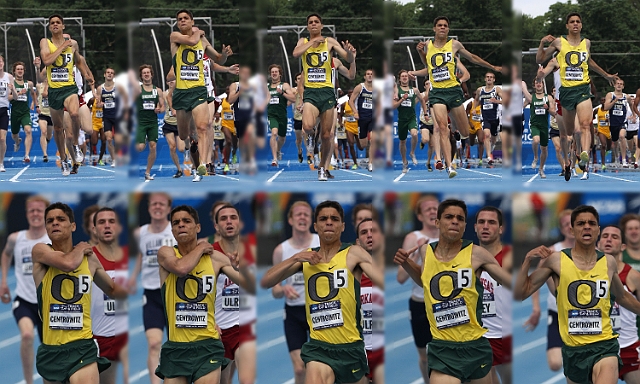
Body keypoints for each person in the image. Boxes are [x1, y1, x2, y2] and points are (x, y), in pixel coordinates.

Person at [261, 200, 384, 384]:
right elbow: (266, 281)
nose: (328, 222)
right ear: (315, 226)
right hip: (319, 347)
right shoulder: (307, 257)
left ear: (342, 226)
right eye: (323, 219)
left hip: (350, 346)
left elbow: (381, 280)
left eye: (334, 219)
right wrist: (295, 257)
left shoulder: (353, 253)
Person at [515, 205, 640, 384]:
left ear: (598, 229)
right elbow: (521, 293)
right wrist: (527, 260)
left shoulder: (608, 262)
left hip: (604, 346)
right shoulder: (556, 260)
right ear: (572, 230)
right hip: (573, 351)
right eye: (581, 223)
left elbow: (622, 297)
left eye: (592, 223)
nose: (587, 226)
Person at [394, 199, 511, 384]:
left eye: (460, 218)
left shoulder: (476, 254)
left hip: (475, 346)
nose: (455, 221)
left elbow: (509, 283)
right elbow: (425, 279)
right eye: (449, 217)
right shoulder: (426, 251)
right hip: (443, 348)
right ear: (437, 222)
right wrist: (406, 263)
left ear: (465, 225)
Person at [32, 202, 127, 383]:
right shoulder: (40, 252)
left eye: (61, 219)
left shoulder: (90, 260)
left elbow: (113, 290)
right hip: (51, 349)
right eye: (50, 220)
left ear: (73, 226)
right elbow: (68, 264)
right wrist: (80, 248)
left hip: (82, 346)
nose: (55, 223)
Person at [155, 205, 251, 383]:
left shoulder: (216, 259)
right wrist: (200, 248)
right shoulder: (166, 254)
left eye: (186, 221)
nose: (181, 225)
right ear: (172, 230)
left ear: (198, 227)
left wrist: (240, 266)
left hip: (208, 345)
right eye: (176, 223)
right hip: (176, 348)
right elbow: (181, 268)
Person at [409, 16, 501, 177]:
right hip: (437, 93)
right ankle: (449, 165)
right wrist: (419, 52)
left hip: (454, 91)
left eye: (445, 26)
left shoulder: (454, 45)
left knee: (465, 131)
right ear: (434, 29)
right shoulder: (428, 46)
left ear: (448, 29)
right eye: (439, 25)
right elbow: (427, 66)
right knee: (442, 127)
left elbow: (472, 57)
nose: (442, 28)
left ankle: (458, 133)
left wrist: (492, 66)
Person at [535, 12, 619, 180]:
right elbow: (540, 58)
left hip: (582, 88)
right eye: (572, 22)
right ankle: (567, 163)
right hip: (565, 93)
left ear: (581, 25)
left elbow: (590, 62)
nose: (575, 24)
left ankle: (584, 156)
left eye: (578, 22)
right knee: (568, 134)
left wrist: (606, 75)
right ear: (567, 26)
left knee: (586, 125)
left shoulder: (586, 43)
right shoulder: (559, 42)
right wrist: (542, 43)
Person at [293, 13, 355, 181]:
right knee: (307, 126)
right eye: (310, 22)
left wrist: (350, 55)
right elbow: (296, 54)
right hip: (311, 92)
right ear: (307, 27)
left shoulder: (330, 42)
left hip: (327, 92)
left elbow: (347, 58)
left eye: (316, 22)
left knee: (327, 135)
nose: (313, 24)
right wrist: (313, 42)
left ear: (321, 26)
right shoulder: (304, 42)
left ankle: (322, 167)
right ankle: (312, 137)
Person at [170, 9, 230, 180]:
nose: (182, 21)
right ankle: (191, 144)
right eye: (179, 19)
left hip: (199, 90)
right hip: (181, 92)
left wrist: (224, 55)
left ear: (192, 21)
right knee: (183, 135)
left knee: (203, 127)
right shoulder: (175, 37)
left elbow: (218, 59)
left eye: (185, 18)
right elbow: (191, 40)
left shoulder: (201, 40)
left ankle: (203, 164)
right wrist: (199, 31)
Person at [0, 196, 50, 384]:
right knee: (27, 335)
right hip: (24, 300)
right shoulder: (16, 238)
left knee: (49, 348)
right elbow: (5, 255)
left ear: (45, 214)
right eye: (31, 210)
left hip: (47, 305)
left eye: (39, 210)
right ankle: (29, 381)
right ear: (27, 214)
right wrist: (3, 281)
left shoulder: (52, 239)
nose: (35, 214)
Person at [270, 201, 320, 384]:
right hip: (293, 313)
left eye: (306, 214)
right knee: (300, 369)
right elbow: (274, 289)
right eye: (298, 214)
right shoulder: (281, 250)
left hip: (319, 311)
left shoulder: (320, 243)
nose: (302, 217)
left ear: (311, 220)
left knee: (321, 367)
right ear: (290, 220)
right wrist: (283, 289)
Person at [39, 15, 95, 176]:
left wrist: (86, 74)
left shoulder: (73, 44)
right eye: (52, 23)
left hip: (70, 88)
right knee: (57, 128)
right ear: (50, 28)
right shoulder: (45, 42)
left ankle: (76, 145)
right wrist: (63, 46)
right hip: (54, 91)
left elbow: (78, 61)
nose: (55, 25)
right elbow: (47, 60)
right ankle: (64, 159)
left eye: (58, 22)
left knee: (75, 114)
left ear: (63, 26)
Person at [129, 193, 175, 384]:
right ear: (148, 208)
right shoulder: (140, 233)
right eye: (154, 204)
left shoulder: (176, 231)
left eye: (161, 204)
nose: (157, 207)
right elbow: (142, 255)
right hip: (151, 294)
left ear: (168, 209)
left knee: (177, 346)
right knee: (154, 344)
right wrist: (133, 277)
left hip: (174, 295)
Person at [397, 195, 439, 383]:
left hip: (443, 304)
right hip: (420, 304)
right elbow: (400, 277)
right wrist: (417, 251)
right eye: (427, 209)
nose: (432, 211)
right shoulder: (413, 238)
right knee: (424, 356)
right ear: (420, 216)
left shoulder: (450, 237)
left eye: (435, 208)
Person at [90, 207, 129, 384]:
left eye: (111, 222)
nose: (107, 226)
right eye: (101, 222)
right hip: (96, 340)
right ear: (94, 229)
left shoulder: (128, 258)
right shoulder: (87, 258)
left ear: (119, 227)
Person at [598, 225, 640, 384]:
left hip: (628, 346)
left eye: (614, 237)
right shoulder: (587, 274)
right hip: (599, 347)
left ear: (623, 246)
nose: (609, 239)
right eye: (605, 236)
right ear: (598, 244)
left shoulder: (633, 276)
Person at [475, 207, 512, 384]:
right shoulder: (467, 257)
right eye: (481, 222)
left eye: (491, 222)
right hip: (480, 336)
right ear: (475, 227)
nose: (485, 226)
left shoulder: (509, 256)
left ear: (501, 228)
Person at [355, 218, 385, 384]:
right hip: (359, 353)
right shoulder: (349, 277)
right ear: (358, 242)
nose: (369, 235)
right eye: (364, 232)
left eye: (373, 231)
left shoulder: (392, 276)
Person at [133, 64, 165, 181]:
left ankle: (147, 172)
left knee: (153, 146)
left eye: (148, 72)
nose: (146, 74)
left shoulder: (158, 90)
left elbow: (163, 107)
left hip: (153, 122)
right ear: (141, 76)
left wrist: (159, 109)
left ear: (152, 74)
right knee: (140, 147)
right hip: (141, 122)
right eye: (144, 73)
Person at [393, 70, 427, 174]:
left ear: (408, 78)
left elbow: (422, 100)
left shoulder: (414, 90)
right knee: (402, 141)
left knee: (414, 133)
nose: (404, 78)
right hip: (402, 119)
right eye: (402, 76)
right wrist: (402, 99)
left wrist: (425, 113)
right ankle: (404, 162)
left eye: (406, 76)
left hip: (412, 117)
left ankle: (412, 152)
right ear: (400, 79)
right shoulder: (396, 91)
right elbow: (393, 106)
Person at [523, 78, 556, 178]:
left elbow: (553, 113)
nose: (538, 84)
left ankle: (541, 169)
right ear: (534, 86)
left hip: (544, 126)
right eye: (536, 83)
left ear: (543, 85)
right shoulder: (531, 98)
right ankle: (535, 157)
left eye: (540, 82)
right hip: (534, 124)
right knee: (536, 140)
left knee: (544, 149)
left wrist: (548, 108)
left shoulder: (548, 98)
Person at [266, 64, 296, 167]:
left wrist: (282, 93)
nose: (274, 73)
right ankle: (274, 159)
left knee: (282, 138)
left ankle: (278, 150)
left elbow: (293, 99)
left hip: (282, 115)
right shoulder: (267, 87)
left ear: (280, 74)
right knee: (274, 133)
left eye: (276, 72)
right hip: (271, 115)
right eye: (272, 72)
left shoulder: (284, 85)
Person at [349, 69, 375, 172]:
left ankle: (370, 163)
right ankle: (358, 140)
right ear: (364, 76)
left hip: (373, 118)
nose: (370, 76)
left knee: (373, 139)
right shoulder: (360, 87)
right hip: (362, 118)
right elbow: (351, 101)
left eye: (372, 74)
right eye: (368, 74)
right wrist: (355, 112)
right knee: (363, 145)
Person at [10, 61, 37, 162]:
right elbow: (8, 98)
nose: (20, 71)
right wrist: (19, 92)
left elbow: (33, 93)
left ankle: (26, 155)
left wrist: (34, 104)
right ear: (14, 71)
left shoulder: (29, 83)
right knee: (14, 134)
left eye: (21, 69)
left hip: (25, 112)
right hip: (15, 112)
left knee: (28, 130)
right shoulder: (11, 83)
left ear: (24, 71)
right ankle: (17, 142)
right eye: (18, 69)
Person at [476, 73, 502, 165]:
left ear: (494, 80)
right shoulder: (480, 90)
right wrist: (474, 109)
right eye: (487, 77)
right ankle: (488, 156)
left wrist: (497, 101)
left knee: (494, 138)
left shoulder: (497, 89)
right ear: (485, 79)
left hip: (495, 118)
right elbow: (476, 100)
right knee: (486, 135)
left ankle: (492, 146)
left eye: (491, 77)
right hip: (485, 118)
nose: (489, 78)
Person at [603, 78, 630, 167]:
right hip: (613, 122)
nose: (619, 85)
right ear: (614, 85)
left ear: (623, 86)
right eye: (617, 83)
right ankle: (617, 157)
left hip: (623, 121)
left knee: (622, 136)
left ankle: (624, 160)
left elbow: (633, 105)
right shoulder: (610, 95)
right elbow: (606, 107)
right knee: (614, 140)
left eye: (621, 84)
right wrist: (614, 101)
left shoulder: (627, 97)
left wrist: (634, 115)